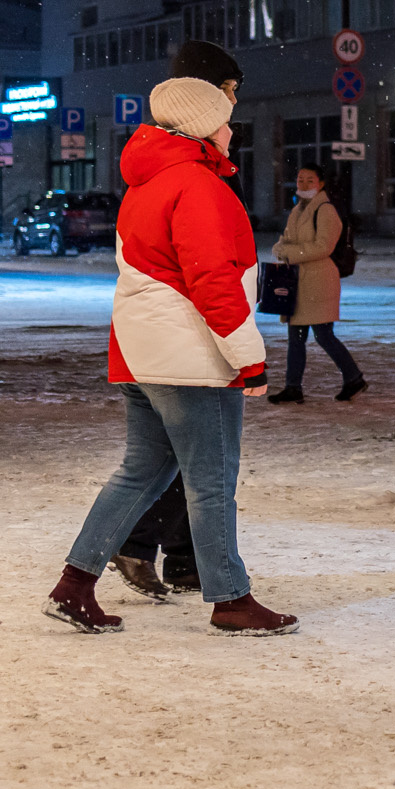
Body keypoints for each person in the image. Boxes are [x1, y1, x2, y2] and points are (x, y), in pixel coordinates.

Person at [44, 76, 298, 636]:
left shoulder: (147, 182)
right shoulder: (197, 185)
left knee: (140, 474)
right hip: (191, 357)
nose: (231, 129)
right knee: (211, 482)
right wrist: (248, 357)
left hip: (143, 352)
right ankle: (231, 600)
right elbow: (212, 279)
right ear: (202, 125)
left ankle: (74, 584)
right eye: (224, 118)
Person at [109, 38, 241, 597]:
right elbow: (207, 271)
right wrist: (245, 351)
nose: (236, 105)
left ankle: (175, 559)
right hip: (184, 342)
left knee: (165, 464)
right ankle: (207, 582)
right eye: (230, 92)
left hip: (155, 342)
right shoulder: (185, 174)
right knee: (191, 468)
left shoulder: (160, 167)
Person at [269, 162, 365, 402]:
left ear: (321, 184)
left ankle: (353, 378)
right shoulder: (299, 209)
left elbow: (324, 247)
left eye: (309, 180)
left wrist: (289, 252)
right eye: (300, 179)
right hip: (299, 282)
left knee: (323, 335)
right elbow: (286, 238)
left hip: (319, 282)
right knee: (296, 337)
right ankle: (293, 387)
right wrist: (281, 248)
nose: (303, 184)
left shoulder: (325, 210)